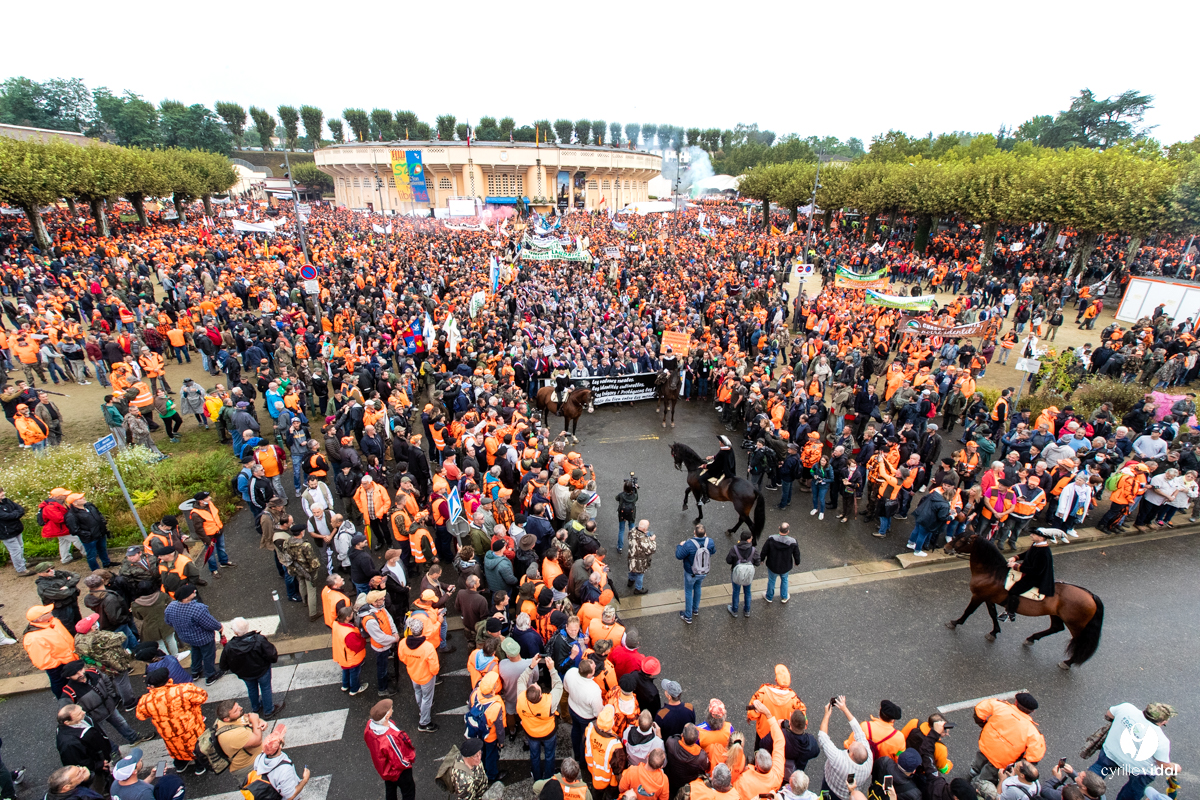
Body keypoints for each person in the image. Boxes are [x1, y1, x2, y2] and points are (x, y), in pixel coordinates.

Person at [1089, 702, 1178, 800]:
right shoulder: (1161, 740)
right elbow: (1163, 765)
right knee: (1134, 789)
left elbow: (1109, 714)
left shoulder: (1126, 708)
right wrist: (1175, 767)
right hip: (1140, 769)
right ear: (1163, 722)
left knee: (1099, 769)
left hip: (1112, 752)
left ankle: (1085, 790)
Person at [136, 665, 209, 774]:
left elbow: (141, 715)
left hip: (170, 735)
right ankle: (200, 767)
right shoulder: (183, 690)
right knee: (197, 749)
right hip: (192, 731)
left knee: (177, 749)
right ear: (168, 679)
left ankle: (181, 765)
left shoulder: (146, 701)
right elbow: (203, 696)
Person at [971, 693, 1045, 785]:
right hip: (1001, 760)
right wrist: (1020, 761)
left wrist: (983, 724)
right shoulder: (1033, 732)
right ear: (1032, 711)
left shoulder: (1000, 707)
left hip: (986, 745)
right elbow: (1034, 756)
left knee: (980, 759)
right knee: (987, 775)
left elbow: (980, 709)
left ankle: (973, 771)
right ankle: (976, 785)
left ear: (1016, 702)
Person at [219, 617, 285, 719]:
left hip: (245, 674)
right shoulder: (259, 640)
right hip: (262, 670)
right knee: (266, 688)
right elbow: (271, 653)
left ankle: (256, 707)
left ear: (236, 632)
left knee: (252, 689)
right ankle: (269, 710)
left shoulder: (230, 646)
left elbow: (223, 665)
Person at [163, 584, 225, 684]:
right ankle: (210, 675)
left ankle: (195, 672)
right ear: (186, 597)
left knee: (195, 651)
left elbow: (168, 621)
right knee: (208, 655)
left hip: (186, 637)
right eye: (193, 592)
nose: (195, 592)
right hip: (203, 638)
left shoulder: (171, 607)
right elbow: (209, 623)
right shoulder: (198, 609)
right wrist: (219, 626)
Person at [518, 655, 563, 780]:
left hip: (531, 732)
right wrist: (552, 669)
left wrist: (531, 666)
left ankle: (536, 776)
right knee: (549, 755)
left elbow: (521, 680)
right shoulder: (550, 702)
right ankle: (548, 777)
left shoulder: (521, 698)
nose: (536, 683)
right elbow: (558, 685)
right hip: (548, 733)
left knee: (534, 755)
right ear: (541, 695)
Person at [817, 697, 872, 800]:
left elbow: (822, 737)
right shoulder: (868, 759)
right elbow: (859, 733)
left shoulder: (839, 760)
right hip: (848, 795)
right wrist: (844, 709)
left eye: (849, 748)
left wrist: (827, 715)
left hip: (831, 789)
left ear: (851, 754)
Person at [22, 603, 78, 698]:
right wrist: (61, 663)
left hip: (71, 659)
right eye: (46, 612)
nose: (50, 612)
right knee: (61, 685)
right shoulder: (33, 638)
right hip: (59, 667)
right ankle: (65, 702)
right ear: (39, 619)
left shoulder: (53, 622)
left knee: (75, 682)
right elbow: (43, 661)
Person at [365, 699, 417, 800]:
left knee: (390, 789)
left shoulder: (370, 728)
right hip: (398, 772)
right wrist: (408, 762)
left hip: (385, 769)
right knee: (408, 791)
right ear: (387, 716)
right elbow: (400, 761)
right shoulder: (390, 738)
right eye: (391, 709)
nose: (392, 709)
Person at [55, 704, 111, 796]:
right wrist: (98, 765)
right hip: (94, 769)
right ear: (67, 722)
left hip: (99, 757)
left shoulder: (79, 721)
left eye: (81, 710)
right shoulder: (69, 744)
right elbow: (76, 762)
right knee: (98, 785)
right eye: (79, 713)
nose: (84, 713)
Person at [397, 616, 440, 732]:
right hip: (426, 677)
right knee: (427, 698)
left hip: (413, 673)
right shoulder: (428, 647)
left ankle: (422, 711)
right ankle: (424, 722)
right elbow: (434, 666)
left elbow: (402, 657)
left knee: (418, 692)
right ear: (422, 630)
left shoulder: (403, 643)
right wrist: (433, 674)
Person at [1001, 530, 1055, 622]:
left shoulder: (1044, 553)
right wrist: (1016, 557)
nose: (1031, 535)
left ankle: (1011, 613)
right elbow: (1028, 553)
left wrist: (1015, 566)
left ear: (1041, 538)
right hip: (1029, 571)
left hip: (1035, 577)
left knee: (1014, 590)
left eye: (1034, 534)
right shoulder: (1036, 544)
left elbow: (1036, 571)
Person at [251, 724, 311, 800]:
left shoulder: (259, 758)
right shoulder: (284, 770)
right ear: (280, 746)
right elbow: (290, 796)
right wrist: (305, 780)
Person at [213, 698, 268, 781]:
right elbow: (257, 740)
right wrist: (256, 720)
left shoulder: (227, 719)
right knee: (263, 790)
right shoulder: (233, 735)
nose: (240, 708)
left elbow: (245, 717)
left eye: (238, 706)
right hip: (249, 768)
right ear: (226, 719)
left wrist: (260, 721)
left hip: (254, 760)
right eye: (236, 710)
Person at [108, 747, 186, 800]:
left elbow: (135, 787)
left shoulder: (116, 784)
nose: (140, 759)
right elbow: (139, 790)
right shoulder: (144, 794)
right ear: (134, 772)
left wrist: (152, 776)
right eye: (138, 761)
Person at [362, 590, 400, 698]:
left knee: (384, 665)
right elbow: (380, 638)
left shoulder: (380, 608)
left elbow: (389, 619)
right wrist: (394, 639)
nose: (384, 599)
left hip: (387, 643)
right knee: (381, 668)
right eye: (380, 598)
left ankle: (385, 678)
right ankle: (382, 689)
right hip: (381, 647)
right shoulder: (370, 620)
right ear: (374, 602)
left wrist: (394, 632)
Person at [674, 524, 715, 624]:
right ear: (705, 533)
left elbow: (679, 555)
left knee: (688, 591)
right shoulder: (710, 542)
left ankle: (688, 616)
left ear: (694, 532)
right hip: (703, 571)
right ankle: (695, 609)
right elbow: (712, 552)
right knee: (698, 587)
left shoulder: (688, 544)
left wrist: (680, 545)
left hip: (691, 572)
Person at [760, 523, 801, 604]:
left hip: (772, 564)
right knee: (784, 580)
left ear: (779, 528)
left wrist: (762, 559)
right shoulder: (793, 542)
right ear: (788, 531)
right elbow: (796, 554)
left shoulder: (771, 539)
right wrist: (797, 562)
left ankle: (769, 597)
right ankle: (784, 597)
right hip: (785, 566)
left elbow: (764, 550)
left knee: (771, 580)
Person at [725, 530, 760, 618]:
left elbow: (728, 560)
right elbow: (757, 563)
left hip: (736, 573)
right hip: (748, 574)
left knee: (736, 592)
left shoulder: (734, 549)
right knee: (747, 592)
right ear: (748, 540)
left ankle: (735, 610)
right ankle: (747, 610)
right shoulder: (753, 550)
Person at [0, 485, 30, 576]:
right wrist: (15, 514)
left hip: (16, 529)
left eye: (2, 491)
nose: (3, 493)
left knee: (20, 547)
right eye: (0, 492)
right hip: (6, 532)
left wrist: (15, 514)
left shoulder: (7, 501)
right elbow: (7, 516)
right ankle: (21, 569)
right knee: (15, 551)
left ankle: (22, 563)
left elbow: (20, 509)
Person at [697, 436, 737, 503]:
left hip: (719, 470)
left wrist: (704, 466)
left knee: (701, 479)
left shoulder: (722, 452)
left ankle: (705, 497)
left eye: (720, 441)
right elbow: (720, 458)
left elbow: (714, 465)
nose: (719, 442)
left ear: (722, 443)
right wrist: (713, 457)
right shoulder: (729, 449)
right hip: (730, 468)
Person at [626, 519, 655, 595]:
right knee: (640, 574)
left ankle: (631, 581)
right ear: (645, 528)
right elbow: (651, 549)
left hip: (631, 557)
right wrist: (652, 540)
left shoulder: (632, 531)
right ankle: (638, 589)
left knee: (632, 569)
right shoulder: (643, 539)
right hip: (640, 561)